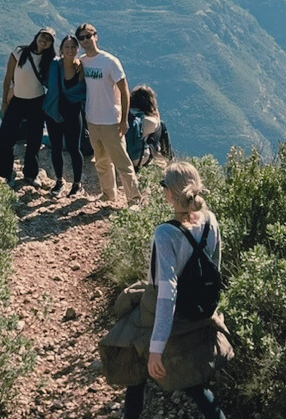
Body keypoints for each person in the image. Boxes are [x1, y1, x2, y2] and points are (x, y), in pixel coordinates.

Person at [101, 162, 231, 419]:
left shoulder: (165, 233)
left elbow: (166, 293)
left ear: (170, 193)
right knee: (192, 384)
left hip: (163, 311)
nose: (162, 191)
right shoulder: (211, 221)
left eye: (164, 186)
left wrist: (157, 348)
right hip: (198, 309)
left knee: (133, 357)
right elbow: (214, 271)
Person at [75, 22, 141, 206]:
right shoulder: (83, 62)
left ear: (96, 36)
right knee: (101, 161)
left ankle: (134, 199)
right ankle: (108, 194)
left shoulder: (110, 61)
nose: (85, 40)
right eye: (81, 38)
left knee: (122, 162)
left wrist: (123, 119)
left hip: (111, 120)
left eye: (88, 36)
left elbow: (124, 91)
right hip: (92, 119)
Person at [0, 27, 56, 188]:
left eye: (49, 39)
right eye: (43, 36)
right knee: (5, 138)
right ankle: (6, 173)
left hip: (37, 103)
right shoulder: (19, 53)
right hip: (17, 101)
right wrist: (4, 102)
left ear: (51, 43)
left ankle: (31, 174)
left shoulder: (50, 59)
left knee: (34, 140)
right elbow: (8, 78)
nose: (44, 40)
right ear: (37, 36)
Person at [43, 34, 87, 196]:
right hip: (54, 110)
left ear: (77, 49)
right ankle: (59, 181)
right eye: (67, 47)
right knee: (56, 147)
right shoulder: (54, 65)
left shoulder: (81, 68)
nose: (70, 50)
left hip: (73, 112)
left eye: (73, 47)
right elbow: (46, 82)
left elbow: (82, 89)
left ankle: (77, 184)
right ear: (61, 49)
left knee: (74, 148)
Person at [127, 85, 162, 170]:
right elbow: (158, 123)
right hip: (138, 160)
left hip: (121, 158)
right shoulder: (148, 121)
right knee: (161, 126)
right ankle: (167, 154)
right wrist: (154, 110)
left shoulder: (125, 116)